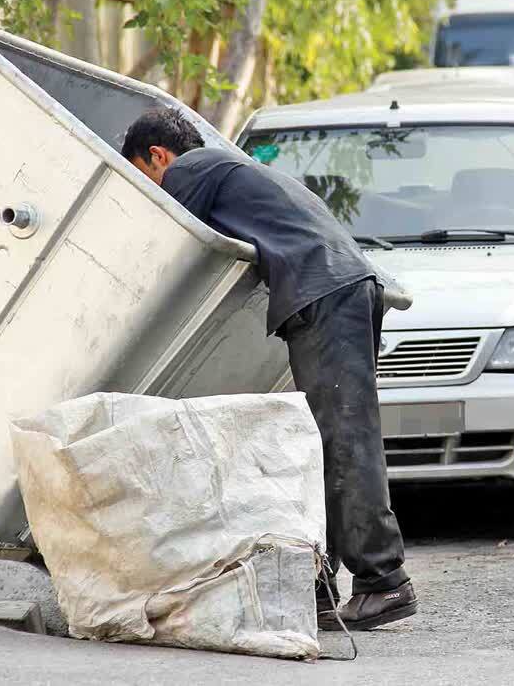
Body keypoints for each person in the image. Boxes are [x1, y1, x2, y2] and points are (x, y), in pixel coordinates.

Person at [120, 105, 417, 632]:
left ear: (159, 156)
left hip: (327, 295)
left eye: (148, 179)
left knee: (345, 441)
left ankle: (382, 582)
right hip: (338, 289)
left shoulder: (191, 171)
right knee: (323, 444)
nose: (156, 192)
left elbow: (163, 242)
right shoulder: (235, 171)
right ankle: (321, 588)